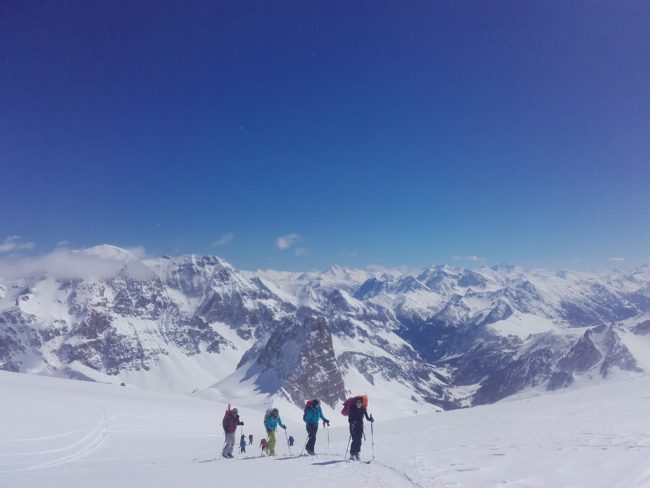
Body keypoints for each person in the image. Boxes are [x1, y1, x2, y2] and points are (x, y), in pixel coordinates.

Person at [348, 396, 373, 460]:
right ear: (356, 403)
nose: (358, 404)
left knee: (359, 440)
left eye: (360, 403)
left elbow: (367, 418)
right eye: (357, 402)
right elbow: (349, 419)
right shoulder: (352, 409)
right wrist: (353, 423)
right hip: (353, 426)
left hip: (360, 426)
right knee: (355, 440)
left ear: (361, 403)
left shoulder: (363, 409)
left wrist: (371, 419)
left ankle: (357, 453)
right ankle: (352, 454)